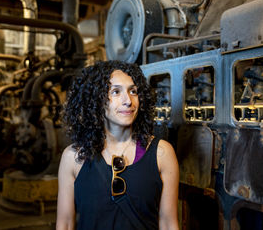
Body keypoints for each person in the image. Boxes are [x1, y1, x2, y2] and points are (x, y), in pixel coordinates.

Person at [56, 60, 179, 230]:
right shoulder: (73, 157)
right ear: (96, 99)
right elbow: (65, 224)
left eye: (133, 91)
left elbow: (168, 223)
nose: (128, 101)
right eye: (115, 92)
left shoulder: (162, 153)